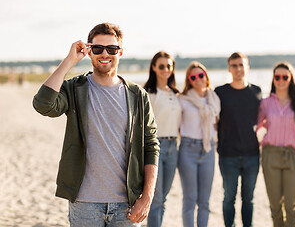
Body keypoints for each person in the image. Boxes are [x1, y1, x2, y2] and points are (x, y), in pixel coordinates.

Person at [32, 23, 160, 227]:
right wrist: (69, 61)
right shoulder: (74, 88)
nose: (105, 54)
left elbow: (151, 145)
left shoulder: (137, 95)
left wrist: (147, 197)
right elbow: (43, 104)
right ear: (89, 51)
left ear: (121, 52)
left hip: (126, 203)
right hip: (84, 204)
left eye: (112, 49)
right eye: (98, 48)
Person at [214, 52, 262, 227]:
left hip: (252, 154)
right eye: (234, 65)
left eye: (241, 65)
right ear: (229, 68)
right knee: (229, 198)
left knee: (249, 199)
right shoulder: (220, 92)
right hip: (228, 155)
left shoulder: (256, 91)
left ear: (247, 67)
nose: (238, 69)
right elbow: (212, 119)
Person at [257, 62, 295, 227]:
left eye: (285, 77)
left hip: (292, 156)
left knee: (291, 205)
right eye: (277, 77)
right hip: (271, 155)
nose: (281, 80)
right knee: (275, 205)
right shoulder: (265, 103)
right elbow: (255, 127)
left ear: (291, 79)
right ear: (273, 79)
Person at [178, 61, 220, 227]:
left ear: (206, 77)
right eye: (193, 76)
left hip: (208, 150)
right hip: (188, 151)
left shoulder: (214, 99)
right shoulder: (183, 99)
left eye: (201, 75)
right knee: (190, 199)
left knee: (204, 201)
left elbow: (216, 124)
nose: (198, 79)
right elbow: (177, 126)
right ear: (189, 79)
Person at [143, 51, 181, 227]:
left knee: (163, 198)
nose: (166, 69)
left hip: (174, 147)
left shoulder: (176, 93)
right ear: (154, 67)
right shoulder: (148, 93)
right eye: (161, 66)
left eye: (169, 66)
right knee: (156, 199)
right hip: (156, 147)